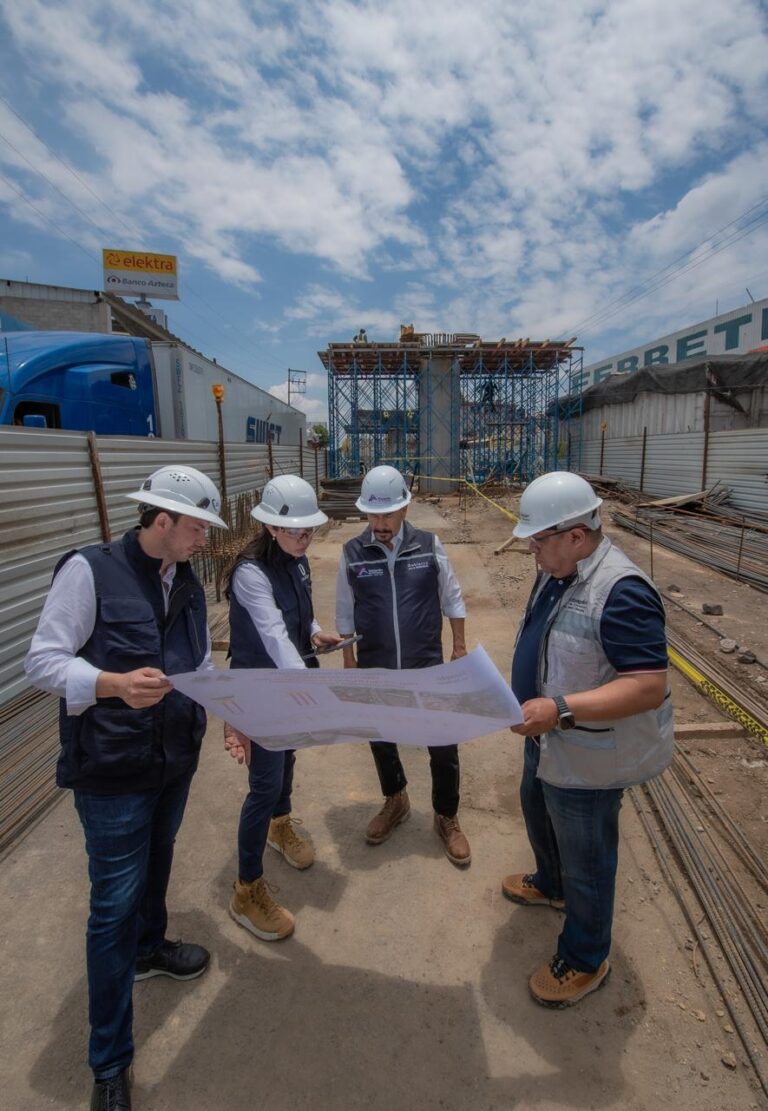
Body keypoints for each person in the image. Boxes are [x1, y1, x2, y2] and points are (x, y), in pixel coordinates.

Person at [24, 465, 228, 1111]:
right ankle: (109, 1060)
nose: (204, 539)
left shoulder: (188, 582)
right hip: (112, 772)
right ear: (160, 520)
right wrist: (111, 684)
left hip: (173, 762)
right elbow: (42, 661)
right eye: (197, 527)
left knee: (157, 865)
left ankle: (150, 947)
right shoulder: (89, 570)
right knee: (112, 904)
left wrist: (234, 713)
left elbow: (198, 664)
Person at [503, 471, 674, 1008]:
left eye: (539, 538)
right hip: (548, 737)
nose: (532, 549)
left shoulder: (621, 591)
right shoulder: (561, 568)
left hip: (588, 756)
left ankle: (584, 957)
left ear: (577, 535)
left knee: (589, 858)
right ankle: (551, 885)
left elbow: (648, 686)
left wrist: (559, 709)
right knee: (536, 808)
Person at [224, 475, 341, 941]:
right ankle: (245, 889)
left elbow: (299, 611)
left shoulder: (298, 560)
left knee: (288, 756)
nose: (304, 537)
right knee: (264, 781)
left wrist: (314, 632)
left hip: (291, 678)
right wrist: (307, 686)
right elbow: (272, 632)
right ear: (270, 527)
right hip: (261, 686)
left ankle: (280, 825)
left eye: (309, 530)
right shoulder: (250, 571)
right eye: (295, 531)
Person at [335, 464, 471, 865]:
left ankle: (446, 815)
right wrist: (348, 658)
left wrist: (459, 647)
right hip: (376, 664)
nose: (379, 523)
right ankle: (395, 799)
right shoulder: (352, 552)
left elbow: (453, 596)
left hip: (426, 663)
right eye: (373, 514)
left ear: (405, 510)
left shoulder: (429, 546)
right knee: (381, 736)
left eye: (387, 514)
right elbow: (345, 609)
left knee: (443, 741)